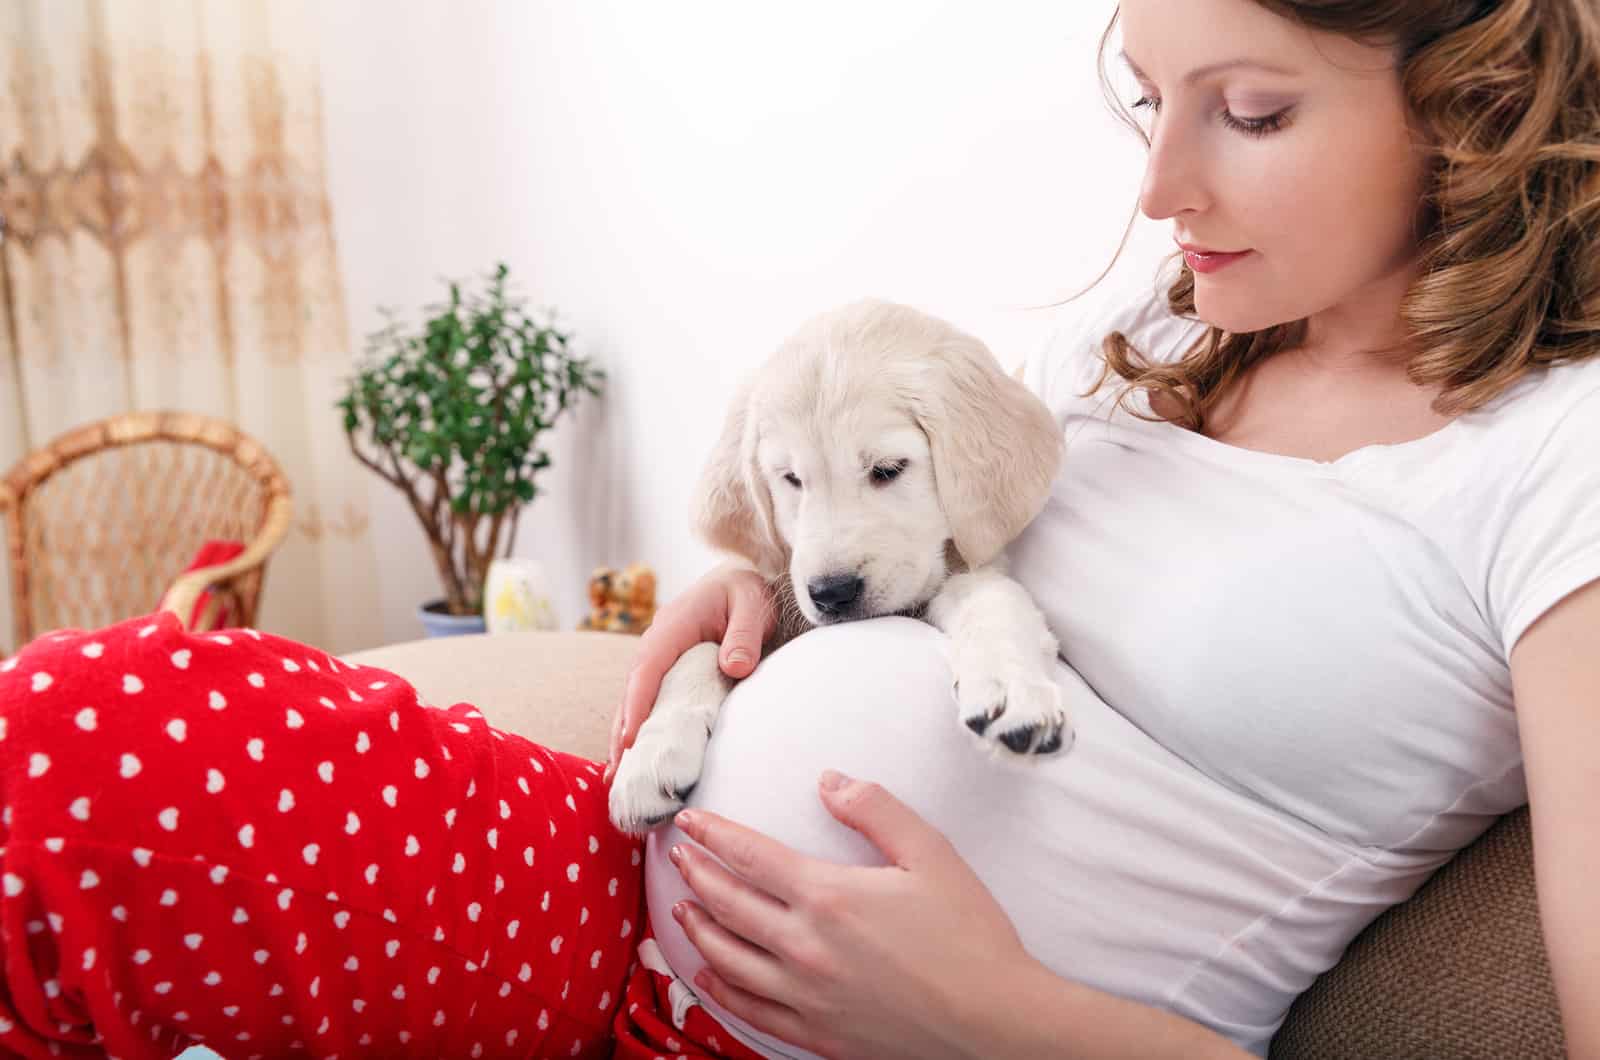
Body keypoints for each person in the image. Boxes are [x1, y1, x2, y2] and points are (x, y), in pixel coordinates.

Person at [0, 2, 1594, 1059]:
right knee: (89, 733)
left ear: (1478, 101)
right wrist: (759, 592)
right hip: (624, 904)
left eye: (1248, 111)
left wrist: (997, 1013)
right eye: (1147, 103)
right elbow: (915, 536)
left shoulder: (1559, 462)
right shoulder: (1156, 330)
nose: (1161, 183)